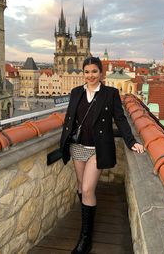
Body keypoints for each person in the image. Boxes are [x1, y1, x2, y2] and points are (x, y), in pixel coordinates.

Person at [60, 57, 145, 254]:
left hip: (98, 148)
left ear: (101, 73)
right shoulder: (76, 93)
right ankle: (85, 226)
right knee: (81, 187)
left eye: (94, 71)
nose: (90, 75)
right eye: (87, 72)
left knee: (88, 189)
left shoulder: (110, 93)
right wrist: (64, 142)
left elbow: (120, 119)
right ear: (84, 73)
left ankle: (85, 238)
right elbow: (69, 119)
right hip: (78, 147)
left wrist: (131, 142)